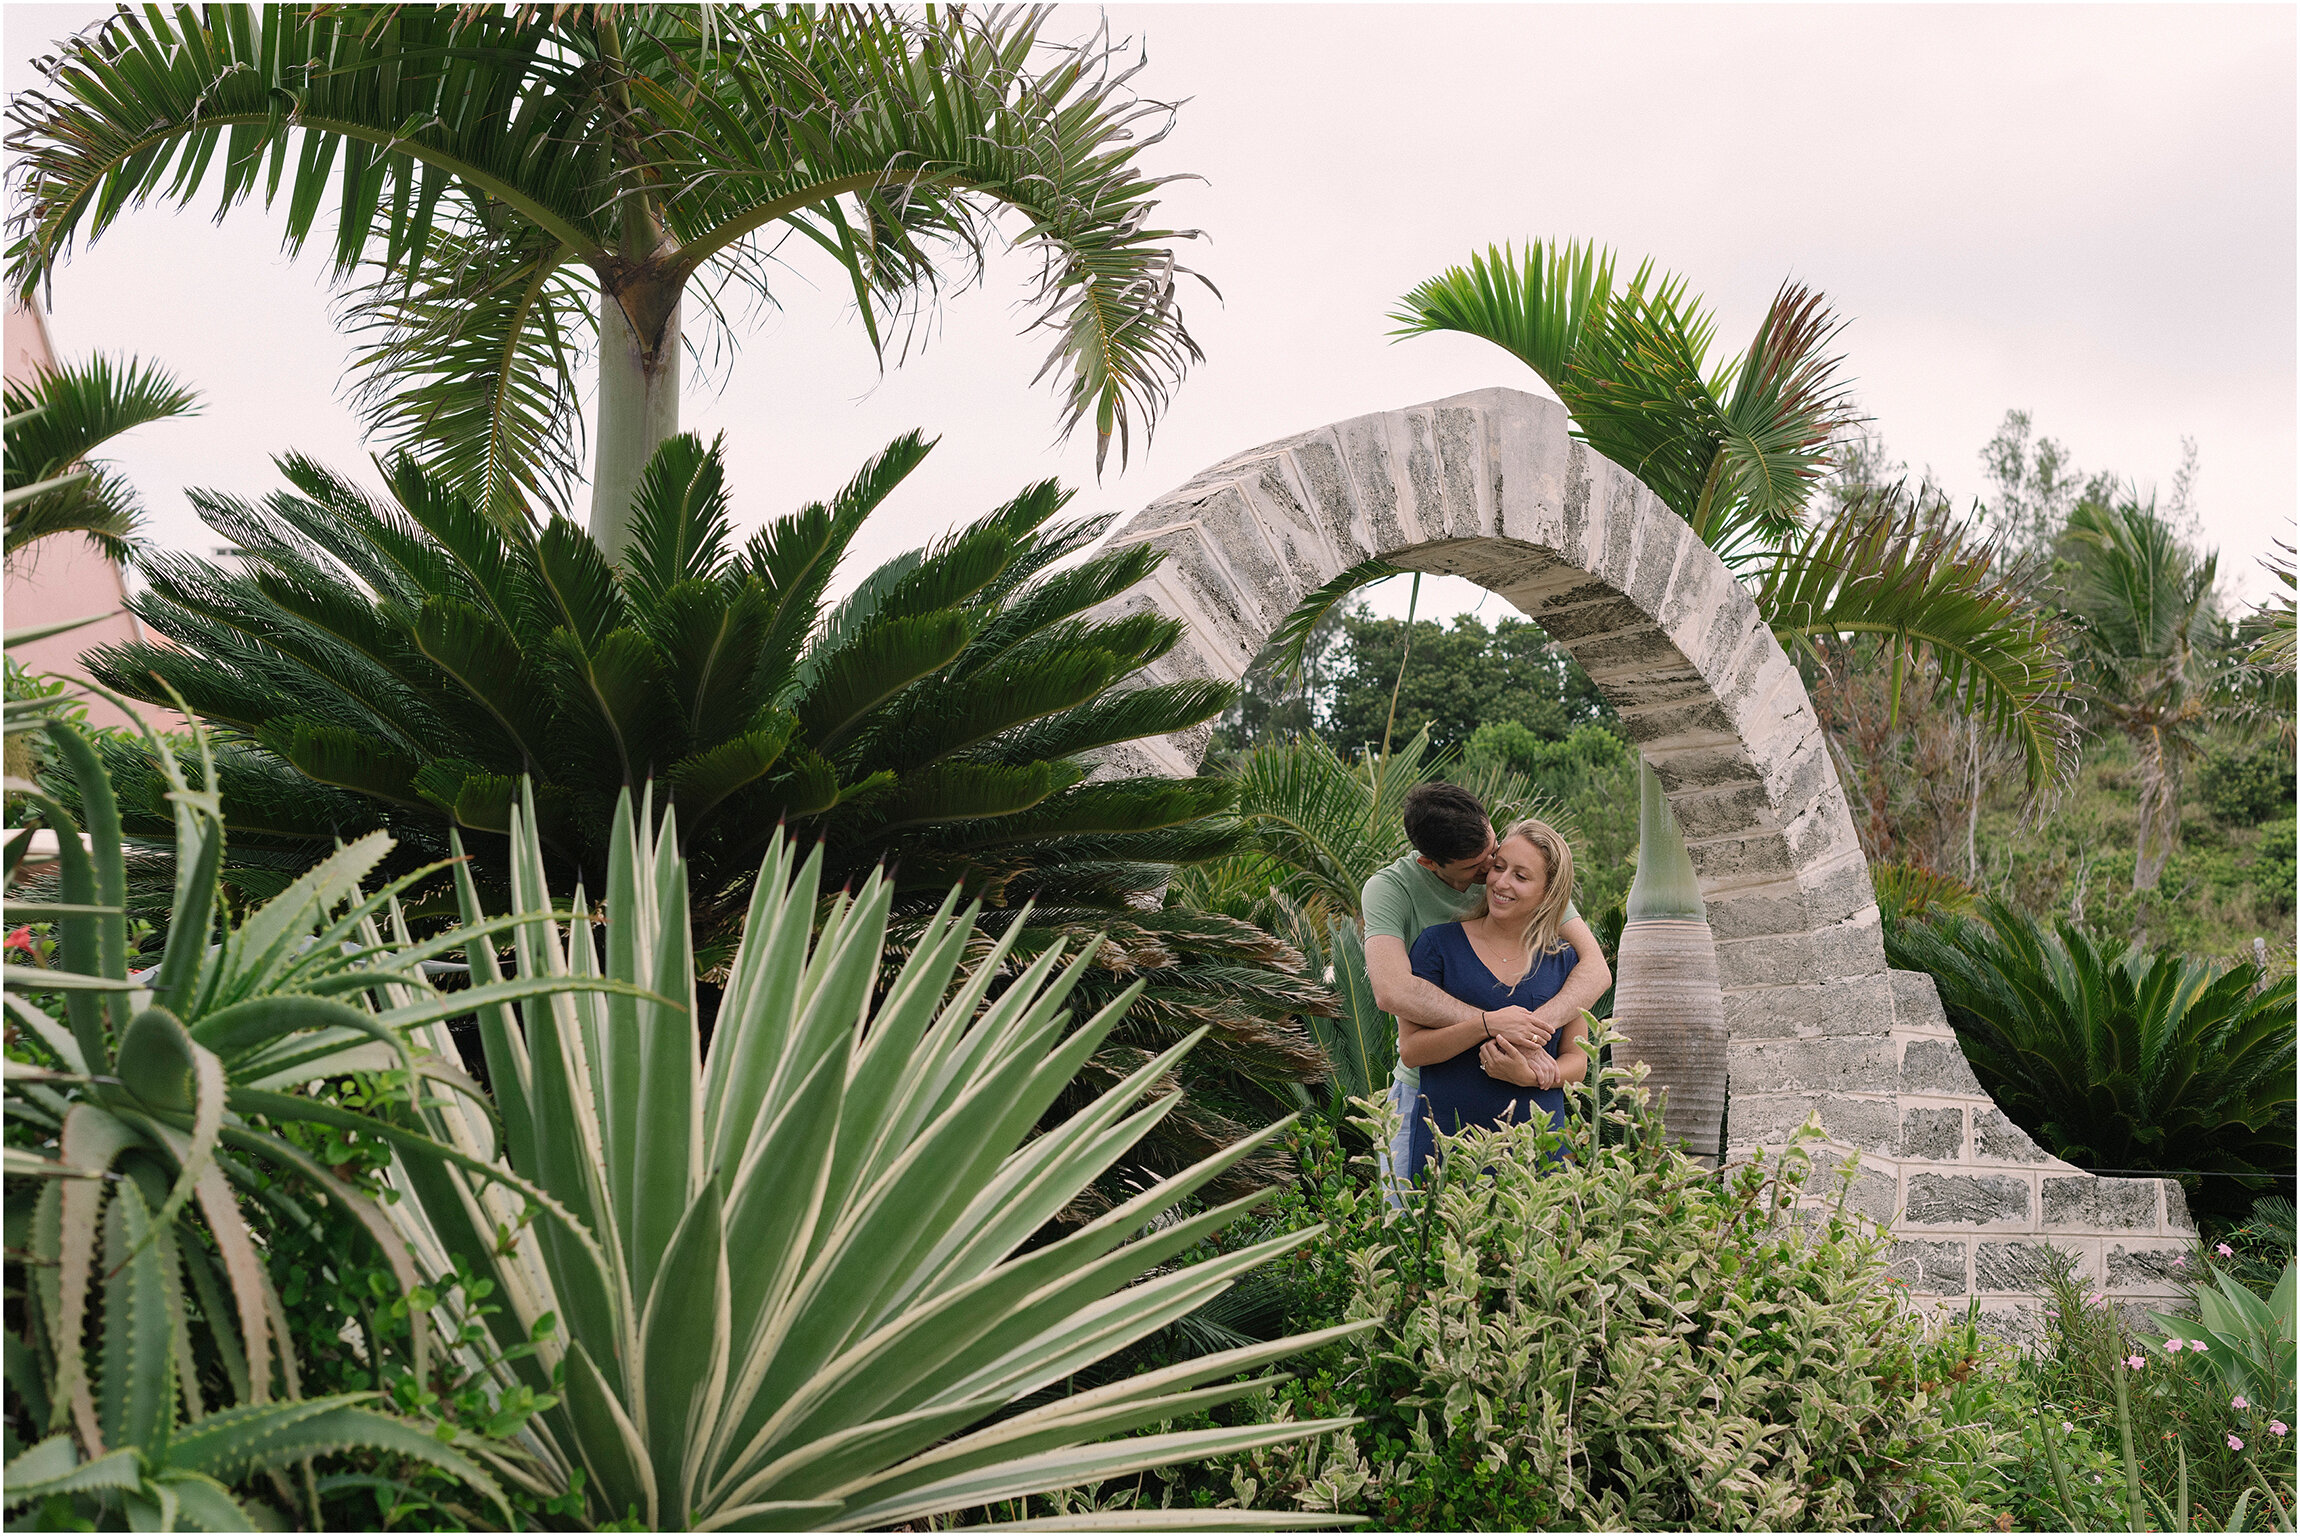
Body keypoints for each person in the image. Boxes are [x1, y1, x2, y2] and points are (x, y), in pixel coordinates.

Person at [1361, 783, 1611, 1189]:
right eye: (1482, 866)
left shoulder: (1524, 878)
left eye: (1494, 848)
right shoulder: (1395, 893)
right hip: (1428, 1097)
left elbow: (1595, 970)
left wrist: (1528, 1034)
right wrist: (1491, 1023)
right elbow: (1392, 991)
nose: (1493, 871)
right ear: (1430, 863)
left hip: (1531, 1118)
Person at [1399, 817, 1594, 1180]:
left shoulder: (1565, 959)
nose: (1501, 882)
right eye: (1499, 867)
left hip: (1538, 1151)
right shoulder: (1436, 945)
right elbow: (1412, 1050)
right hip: (1449, 1145)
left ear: (1548, 891)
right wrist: (1486, 1026)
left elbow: (1577, 1063)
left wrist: (1526, 1077)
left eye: (1521, 876)